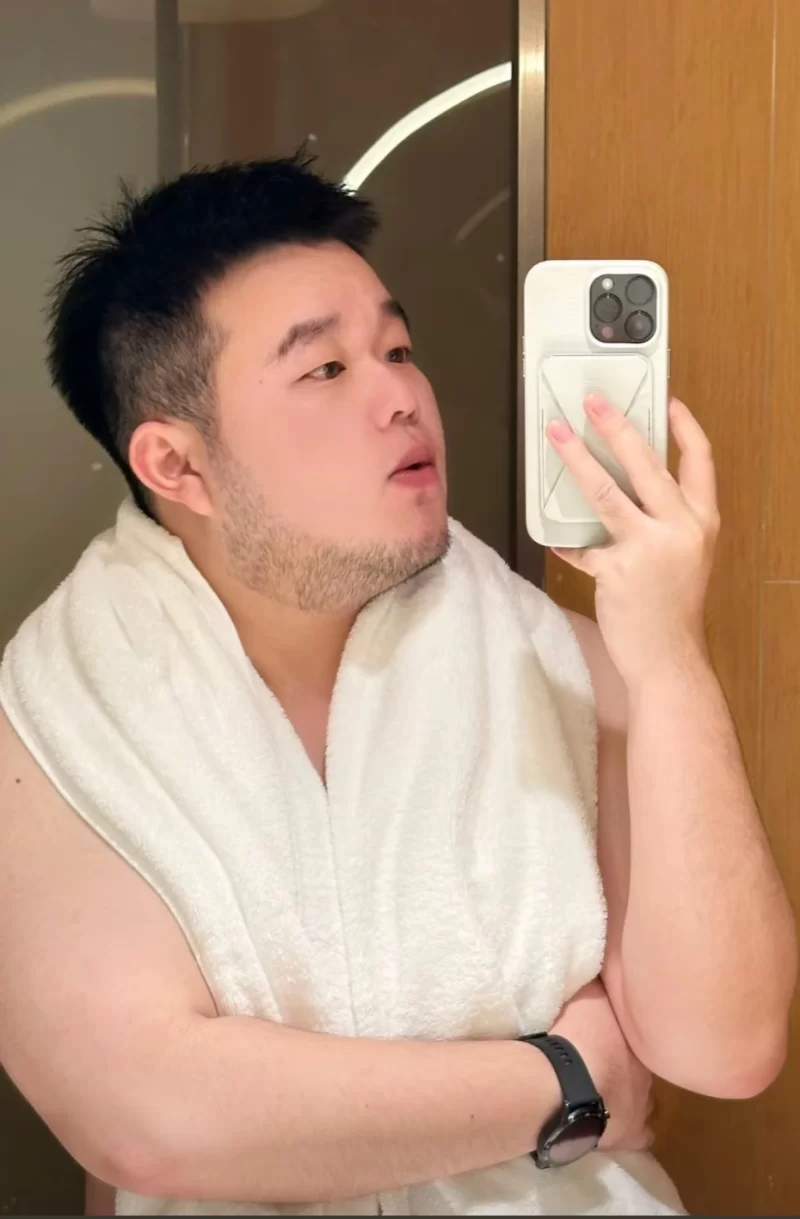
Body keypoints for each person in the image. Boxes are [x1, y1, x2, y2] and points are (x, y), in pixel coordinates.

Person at [0, 157, 794, 1218]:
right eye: (325, 369)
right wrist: (567, 1079)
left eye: (398, 349)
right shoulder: (62, 714)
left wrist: (669, 661)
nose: (402, 396)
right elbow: (151, 1119)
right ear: (175, 465)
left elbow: (726, 1045)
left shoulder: (554, 658)